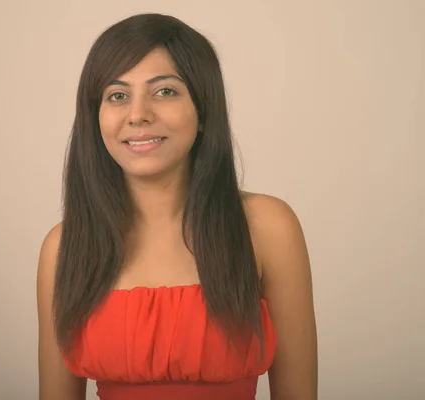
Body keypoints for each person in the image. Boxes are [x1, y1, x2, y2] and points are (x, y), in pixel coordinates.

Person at [37, 13, 317, 400]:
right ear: (95, 117)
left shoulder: (269, 227)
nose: (138, 115)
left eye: (164, 91)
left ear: (203, 111)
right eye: (117, 95)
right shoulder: (64, 246)